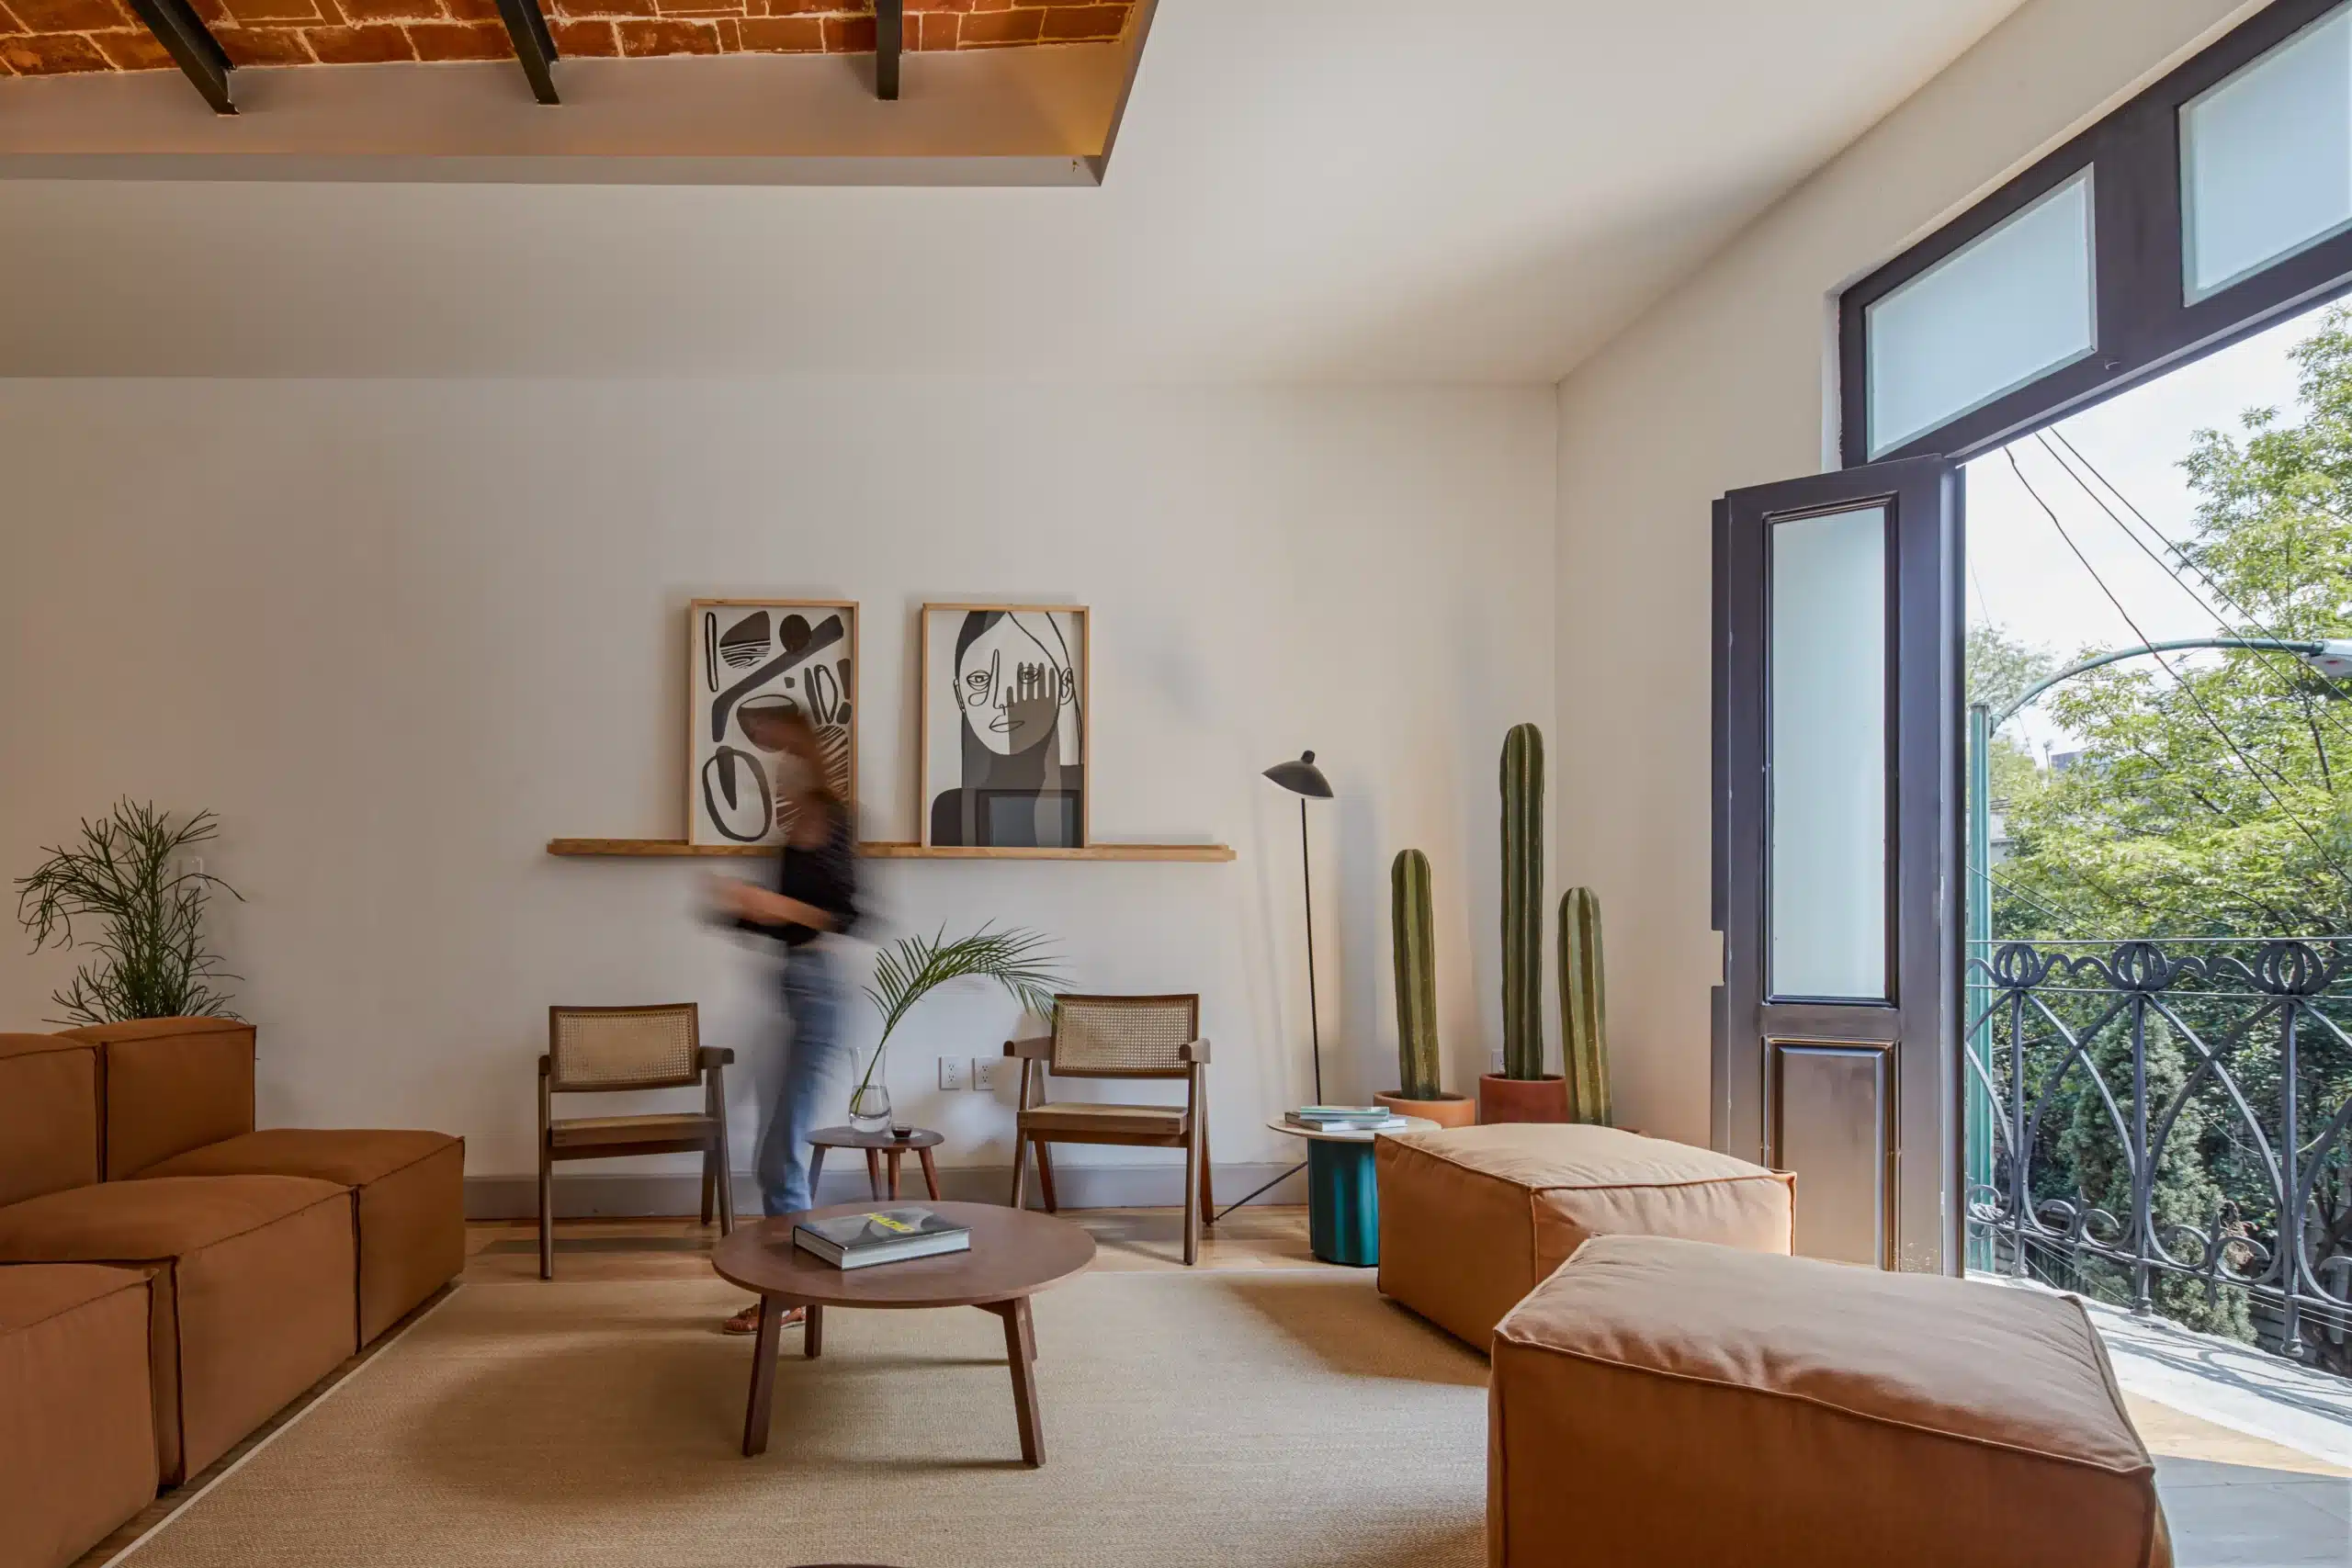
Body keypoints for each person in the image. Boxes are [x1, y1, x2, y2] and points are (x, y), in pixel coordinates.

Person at [709, 704, 857, 1336]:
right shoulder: (794, 829)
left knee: (781, 1149)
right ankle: (792, 1286)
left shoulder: (834, 820)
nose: (773, 775)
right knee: (773, 1147)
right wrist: (739, 907)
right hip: (791, 992)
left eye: (779, 756)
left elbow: (846, 914)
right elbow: (776, 921)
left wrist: (771, 903)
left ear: (803, 756)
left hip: (820, 995)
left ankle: (793, 1291)